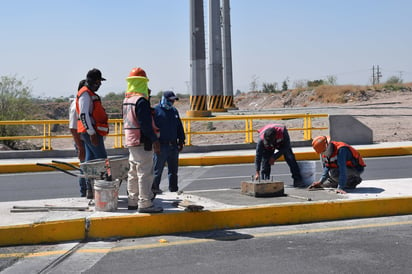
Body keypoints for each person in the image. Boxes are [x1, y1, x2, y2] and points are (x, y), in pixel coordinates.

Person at [122, 67, 163, 213]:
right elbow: (145, 124)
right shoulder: (141, 101)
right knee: (145, 172)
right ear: (143, 83)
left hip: (130, 139)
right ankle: (145, 203)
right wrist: (155, 140)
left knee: (133, 172)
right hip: (142, 140)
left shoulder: (127, 100)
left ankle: (132, 201)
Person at [76, 68, 109, 199]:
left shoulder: (89, 93)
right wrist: (91, 133)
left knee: (90, 161)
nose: (100, 84)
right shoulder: (85, 94)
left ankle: (90, 190)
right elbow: (83, 115)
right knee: (103, 160)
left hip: (92, 132)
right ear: (95, 82)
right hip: (90, 132)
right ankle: (106, 190)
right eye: (99, 82)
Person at [152, 91, 185, 194]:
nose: (172, 102)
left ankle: (173, 189)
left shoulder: (174, 111)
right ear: (164, 99)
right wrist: (155, 142)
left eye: (173, 100)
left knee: (173, 171)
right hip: (161, 146)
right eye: (170, 100)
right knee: (157, 170)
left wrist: (181, 140)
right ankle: (154, 189)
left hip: (173, 145)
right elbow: (152, 129)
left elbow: (179, 126)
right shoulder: (156, 111)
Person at [69, 79, 93, 197]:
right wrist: (80, 147)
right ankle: (84, 192)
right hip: (82, 142)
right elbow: (73, 128)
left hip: (87, 141)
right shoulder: (76, 105)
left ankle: (89, 190)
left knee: (89, 167)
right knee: (84, 167)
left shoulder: (86, 101)